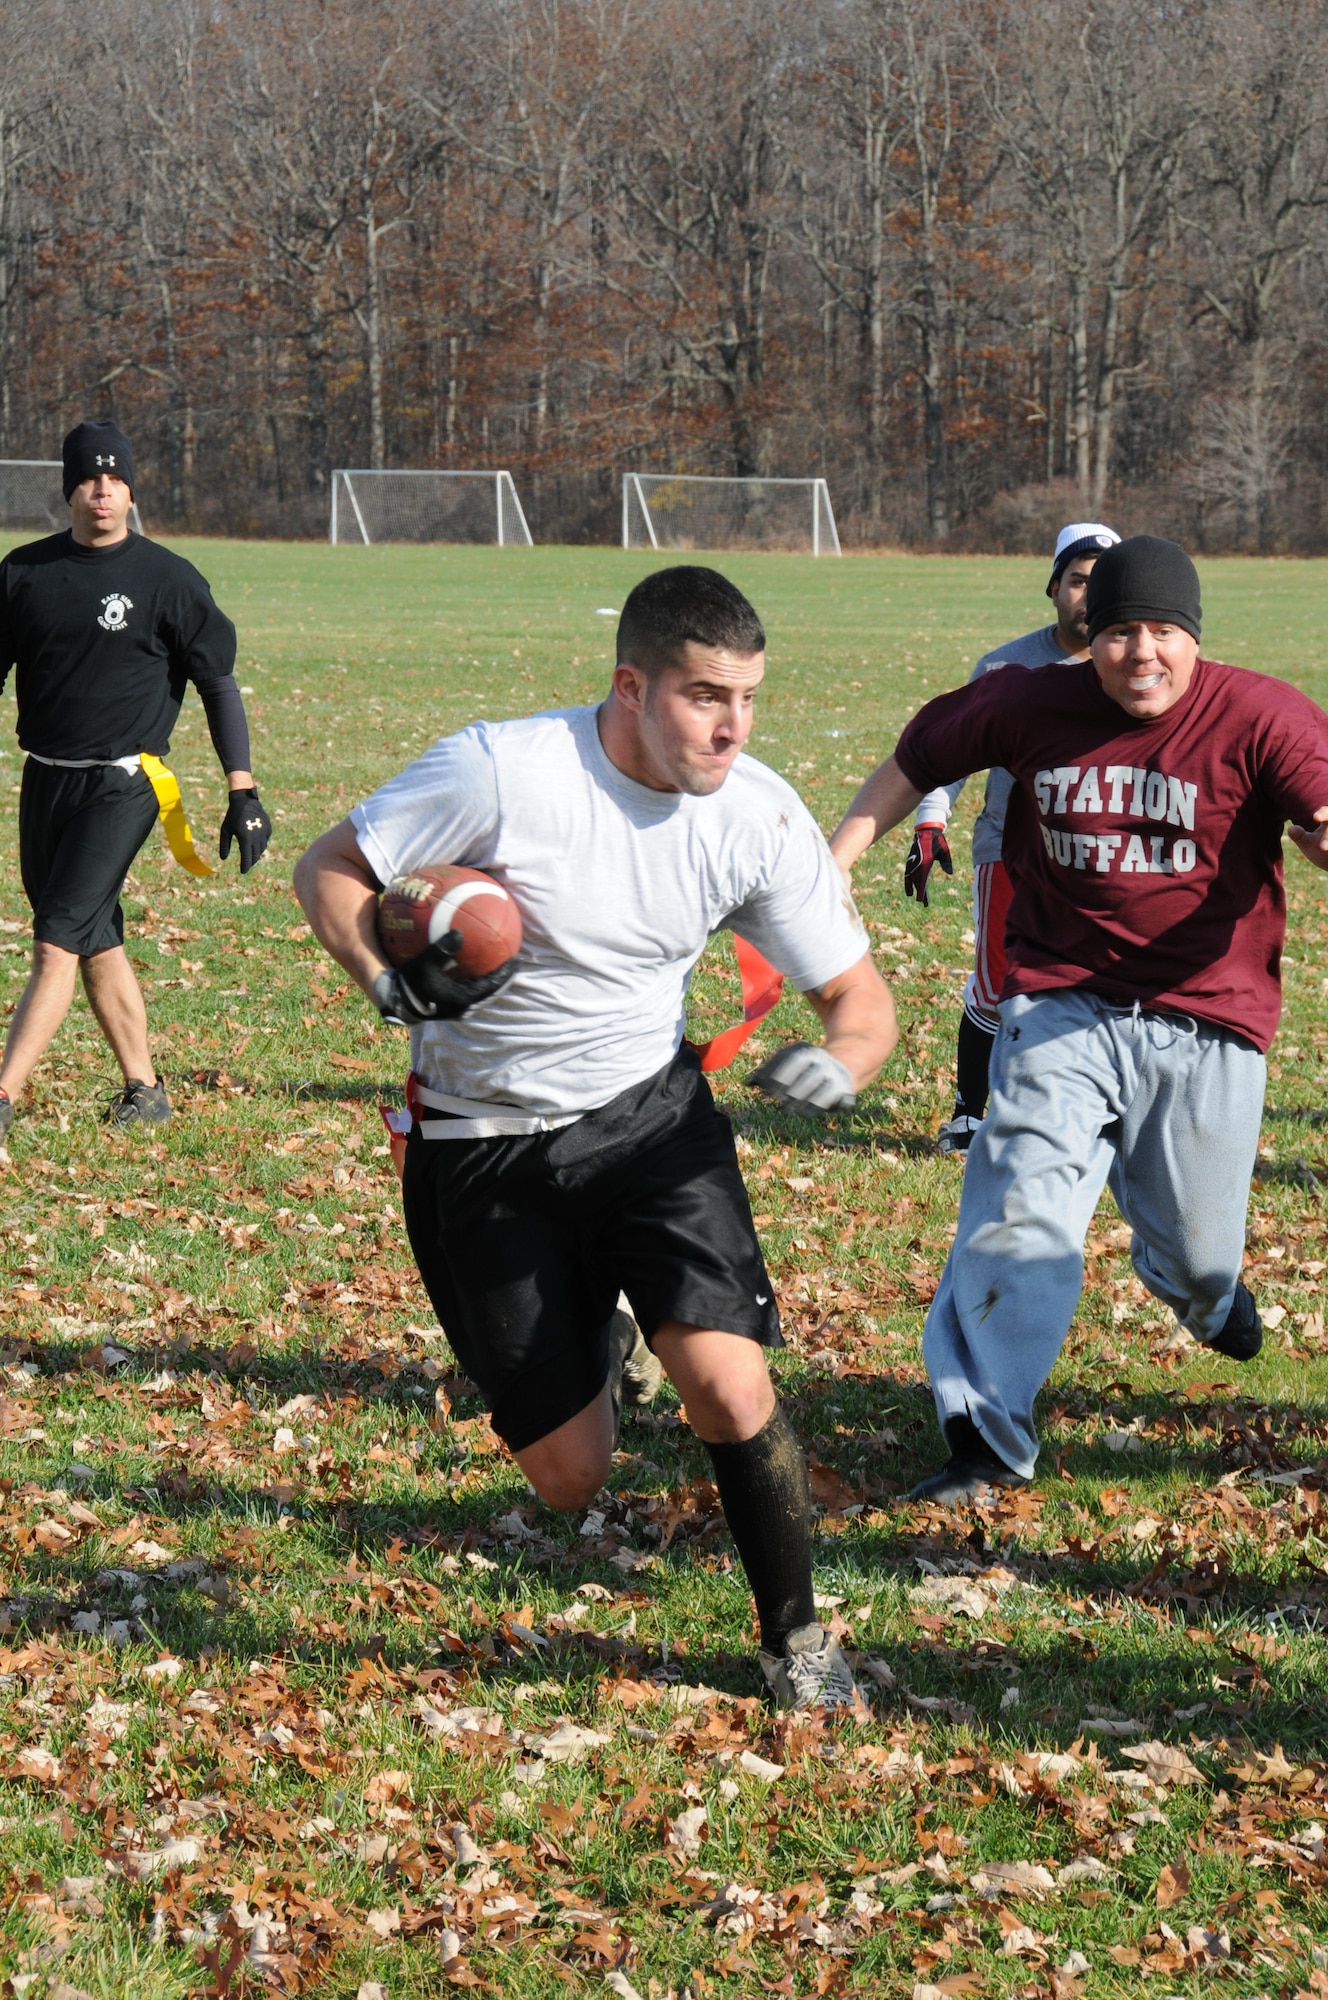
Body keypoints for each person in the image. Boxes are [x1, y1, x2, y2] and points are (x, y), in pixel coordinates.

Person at [295, 565, 898, 1708]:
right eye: (704, 693)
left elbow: (861, 1004)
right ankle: (601, 1331)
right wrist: (384, 980)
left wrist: (844, 1061)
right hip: (475, 1141)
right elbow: (327, 866)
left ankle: (797, 1641)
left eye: (750, 696)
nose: (730, 724)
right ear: (630, 684)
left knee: (726, 1386)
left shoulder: (755, 814)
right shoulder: (501, 770)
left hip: (647, 1125)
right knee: (569, 1480)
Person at [831, 535, 1328, 1502]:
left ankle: (1207, 1294)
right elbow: (918, 756)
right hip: (1060, 999)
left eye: (1164, 633)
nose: (1142, 654)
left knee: (1195, 1250)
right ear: (1086, 637)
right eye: (1119, 634)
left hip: (1208, 1015)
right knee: (1018, 1202)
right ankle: (985, 1439)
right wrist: (834, 865)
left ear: (1194, 638)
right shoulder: (1028, 700)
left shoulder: (1261, 713)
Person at [0, 420, 271, 1139]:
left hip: (125, 784)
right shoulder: (24, 573)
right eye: (90, 477)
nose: (102, 489)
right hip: (45, 780)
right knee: (92, 935)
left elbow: (218, 683)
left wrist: (242, 790)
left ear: (129, 489)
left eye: (115, 478)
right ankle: (144, 1088)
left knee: (57, 937)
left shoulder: (168, 579)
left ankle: (1, 1096)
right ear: (69, 487)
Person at [905, 521, 1120, 1155]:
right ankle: (970, 1112)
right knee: (999, 984)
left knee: (1096, 984)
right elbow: (945, 755)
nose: (1090, 594)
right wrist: (929, 816)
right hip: (1008, 852)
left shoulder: (1138, 667)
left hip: (1098, 856)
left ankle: (1085, 1108)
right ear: (1054, 586)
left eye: (1104, 582)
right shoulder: (1006, 666)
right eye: (1078, 580)